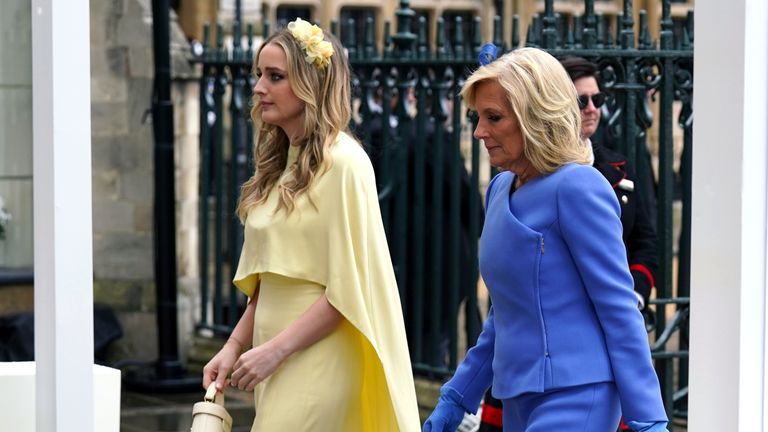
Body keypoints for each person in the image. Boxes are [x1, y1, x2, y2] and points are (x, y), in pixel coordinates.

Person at [421, 47, 668, 432]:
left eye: (494, 117)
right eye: (478, 117)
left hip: (579, 393)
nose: (479, 132)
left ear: (534, 117)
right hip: (516, 399)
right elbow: (503, 313)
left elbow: (618, 308)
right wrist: (457, 395)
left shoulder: (578, 186)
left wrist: (648, 418)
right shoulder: (500, 189)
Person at [201, 18, 420, 432]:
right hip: (274, 354)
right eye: (259, 75)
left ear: (311, 85)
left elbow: (349, 288)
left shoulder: (345, 163)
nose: (259, 87)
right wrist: (233, 346)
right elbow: (269, 280)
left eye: (275, 76)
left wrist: (275, 351)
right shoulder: (281, 162)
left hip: (320, 354)